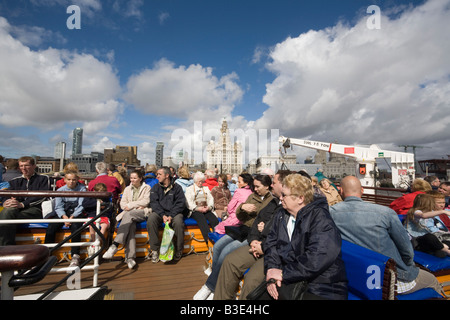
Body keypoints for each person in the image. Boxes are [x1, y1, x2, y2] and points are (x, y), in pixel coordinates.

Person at [330, 176, 443, 296]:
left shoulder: (329, 213)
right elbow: (406, 248)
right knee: (432, 280)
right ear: (362, 190)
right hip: (388, 279)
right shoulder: (385, 213)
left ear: (340, 191)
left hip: (353, 275)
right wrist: (408, 267)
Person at [258, 173, 347, 300]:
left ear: (300, 198)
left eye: (284, 195)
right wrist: (272, 269)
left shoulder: (320, 218)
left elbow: (317, 258)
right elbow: (271, 244)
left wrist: (283, 273)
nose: (280, 198)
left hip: (322, 286)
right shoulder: (282, 215)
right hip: (294, 280)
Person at [194, 174, 273, 300]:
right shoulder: (253, 196)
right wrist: (242, 208)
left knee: (226, 252)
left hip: (252, 234)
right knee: (219, 246)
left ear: (267, 186)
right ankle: (216, 282)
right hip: (242, 228)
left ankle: (210, 287)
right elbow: (239, 215)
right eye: (254, 186)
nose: (255, 189)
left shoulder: (271, 201)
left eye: (258, 186)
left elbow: (263, 220)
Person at [214, 170, 290, 300]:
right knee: (229, 260)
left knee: (251, 280)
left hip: (271, 251)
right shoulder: (274, 203)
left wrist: (263, 245)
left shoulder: (285, 206)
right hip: (255, 240)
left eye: (274, 183)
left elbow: (282, 236)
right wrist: (254, 240)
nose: (272, 185)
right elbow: (257, 223)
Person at [103, 170, 151, 269]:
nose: (132, 180)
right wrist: (135, 206)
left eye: (134, 178)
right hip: (130, 214)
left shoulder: (147, 188)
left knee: (129, 215)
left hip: (142, 213)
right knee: (131, 227)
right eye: (131, 178)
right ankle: (130, 258)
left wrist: (131, 205)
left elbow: (146, 201)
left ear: (140, 178)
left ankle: (115, 245)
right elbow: (122, 204)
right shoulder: (127, 189)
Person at [0, 156, 51, 246]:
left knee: (7, 215)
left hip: (35, 209)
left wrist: (22, 204)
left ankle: (5, 246)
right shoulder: (15, 181)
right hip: (17, 209)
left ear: (34, 166)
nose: (23, 168)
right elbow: (7, 194)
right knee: (8, 211)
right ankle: (6, 246)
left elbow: (42, 196)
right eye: (21, 166)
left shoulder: (43, 179)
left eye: (26, 165)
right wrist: (6, 202)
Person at [44, 171, 86, 267]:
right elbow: (58, 207)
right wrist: (64, 217)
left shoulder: (82, 189)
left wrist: (72, 216)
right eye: (69, 179)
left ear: (77, 180)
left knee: (76, 227)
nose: (71, 182)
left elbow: (81, 205)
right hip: (64, 212)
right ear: (65, 180)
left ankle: (75, 255)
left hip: (76, 212)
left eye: (74, 180)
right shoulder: (60, 191)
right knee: (51, 227)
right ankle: (48, 254)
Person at [147, 166, 186, 263]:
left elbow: (180, 204)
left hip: (174, 213)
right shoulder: (155, 188)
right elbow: (154, 203)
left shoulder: (177, 188)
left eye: (159, 174)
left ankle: (178, 249)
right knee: (151, 219)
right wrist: (163, 215)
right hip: (160, 213)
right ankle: (155, 250)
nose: (157, 176)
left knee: (178, 222)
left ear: (167, 175)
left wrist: (171, 216)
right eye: (157, 174)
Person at [405, 193, 450, 258]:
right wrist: (442, 212)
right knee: (430, 237)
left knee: (441, 245)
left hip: (429, 239)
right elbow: (423, 216)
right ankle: (446, 250)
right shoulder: (415, 211)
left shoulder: (429, 212)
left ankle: (440, 249)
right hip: (418, 240)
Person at [185, 171, 219, 247]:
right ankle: (209, 241)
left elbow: (211, 199)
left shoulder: (206, 188)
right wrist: (197, 208)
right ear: (195, 181)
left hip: (205, 208)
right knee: (201, 219)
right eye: (199, 181)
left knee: (214, 220)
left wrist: (209, 207)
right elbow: (188, 202)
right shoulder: (189, 189)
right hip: (195, 210)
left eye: (202, 181)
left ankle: (218, 239)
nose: (201, 183)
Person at [82, 182, 113, 256]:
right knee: (92, 225)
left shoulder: (106, 198)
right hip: (93, 215)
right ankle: (94, 243)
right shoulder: (89, 197)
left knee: (104, 226)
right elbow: (85, 205)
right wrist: (96, 203)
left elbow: (110, 207)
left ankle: (97, 242)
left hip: (103, 215)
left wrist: (104, 206)